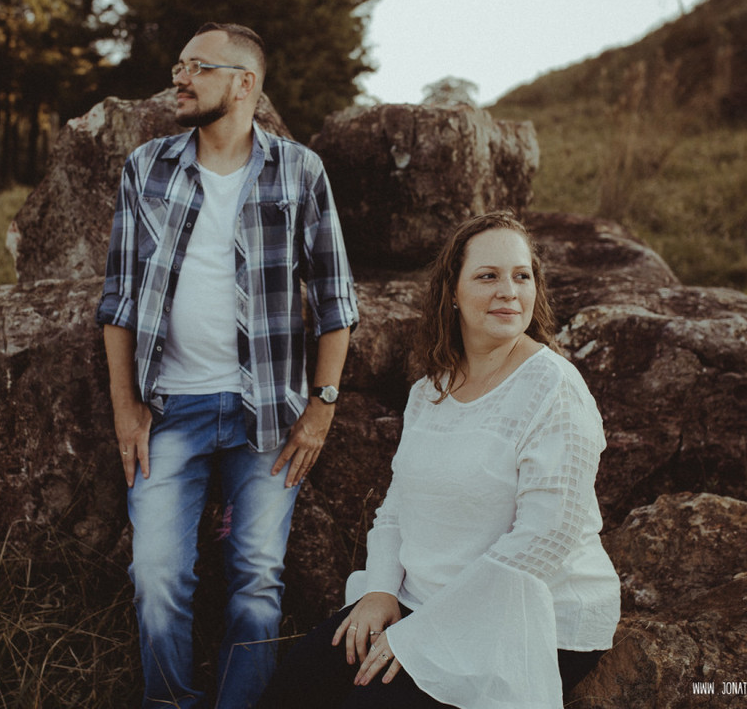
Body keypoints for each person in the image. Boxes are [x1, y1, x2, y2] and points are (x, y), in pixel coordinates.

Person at [256, 211, 620, 709]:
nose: (508, 291)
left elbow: (546, 537)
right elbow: (396, 508)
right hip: (420, 600)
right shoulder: (429, 393)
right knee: (298, 680)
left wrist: (425, 634)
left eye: (521, 276)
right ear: (452, 290)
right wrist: (380, 591)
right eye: (487, 276)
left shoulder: (554, 389)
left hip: (529, 615)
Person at [96, 22, 359, 709]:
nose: (180, 78)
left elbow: (337, 302)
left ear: (244, 84)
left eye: (197, 68)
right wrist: (125, 407)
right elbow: (118, 300)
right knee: (156, 576)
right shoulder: (146, 168)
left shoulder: (300, 172)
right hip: (169, 412)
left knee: (258, 576)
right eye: (179, 66)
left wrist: (321, 409)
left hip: (267, 415)